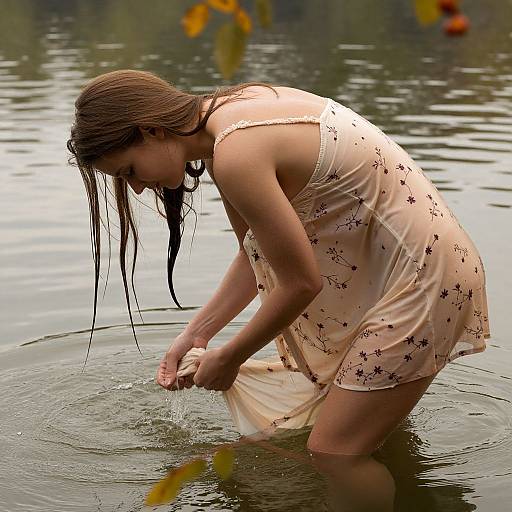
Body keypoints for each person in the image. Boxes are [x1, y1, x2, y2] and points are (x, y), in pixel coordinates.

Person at [67, 69, 490, 466]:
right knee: (356, 436)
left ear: (152, 131)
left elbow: (301, 283)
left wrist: (230, 358)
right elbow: (258, 257)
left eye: (129, 171)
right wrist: (197, 335)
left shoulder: (237, 152)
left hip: (420, 285)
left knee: (333, 454)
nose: (137, 187)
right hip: (422, 274)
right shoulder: (229, 122)